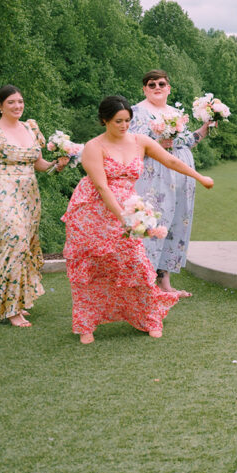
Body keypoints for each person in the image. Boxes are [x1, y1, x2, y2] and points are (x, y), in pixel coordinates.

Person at [63, 96, 213, 344]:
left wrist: (200, 177)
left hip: (128, 208)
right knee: (94, 267)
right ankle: (86, 324)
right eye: (118, 121)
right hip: (93, 212)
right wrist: (122, 217)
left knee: (138, 263)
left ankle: (149, 318)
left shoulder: (139, 141)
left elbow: (171, 160)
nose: (124, 126)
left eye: (127, 121)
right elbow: (101, 187)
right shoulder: (93, 146)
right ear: (104, 120)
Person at [0, 85, 69, 327]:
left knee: (25, 245)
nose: (17, 106)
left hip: (29, 193)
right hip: (1, 190)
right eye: (11, 102)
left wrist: (57, 165)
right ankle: (11, 310)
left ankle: (17, 300)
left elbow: (40, 164)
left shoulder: (30, 128)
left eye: (20, 101)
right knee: (14, 243)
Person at [130, 70, 211, 295]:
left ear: (168, 88)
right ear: (144, 89)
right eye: (151, 84)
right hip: (153, 173)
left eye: (161, 84)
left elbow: (186, 141)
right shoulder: (136, 112)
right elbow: (131, 142)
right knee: (151, 222)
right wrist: (157, 142)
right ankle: (144, 281)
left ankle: (165, 282)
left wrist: (205, 128)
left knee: (176, 222)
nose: (157, 87)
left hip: (181, 171)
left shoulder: (176, 113)